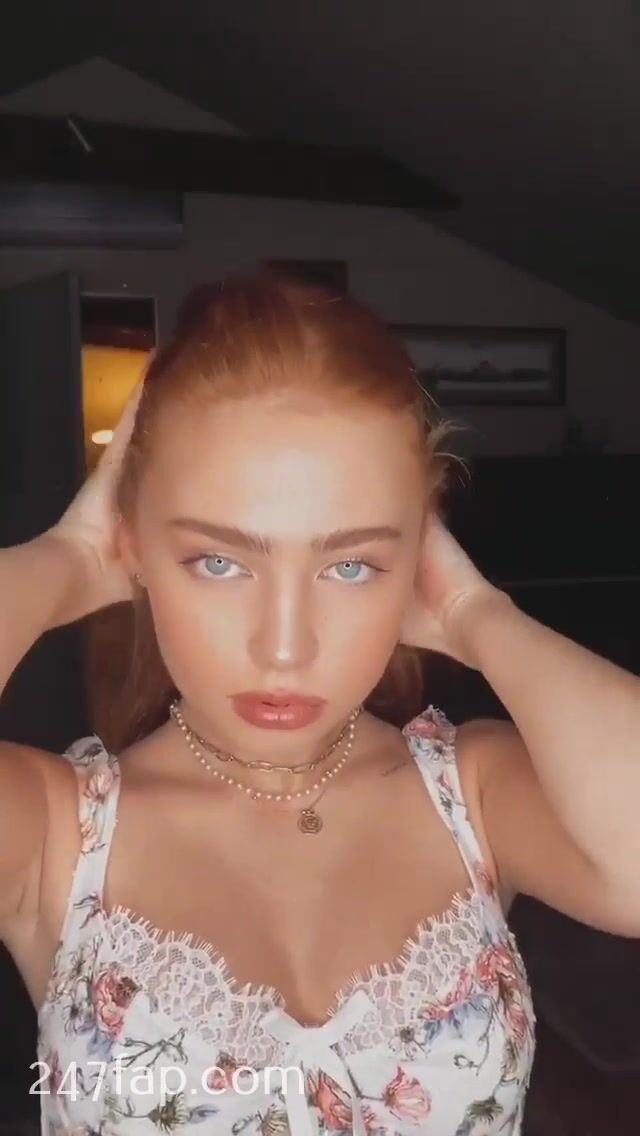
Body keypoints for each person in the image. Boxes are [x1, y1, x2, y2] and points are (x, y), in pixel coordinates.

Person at [0, 273, 638, 1136]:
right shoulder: (53, 835)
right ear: (136, 547)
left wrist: (477, 614)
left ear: (416, 562)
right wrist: (68, 559)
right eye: (220, 562)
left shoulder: (475, 796)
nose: (285, 647)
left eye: (350, 566)